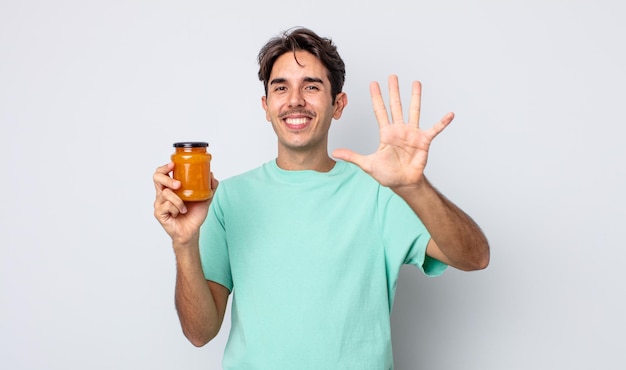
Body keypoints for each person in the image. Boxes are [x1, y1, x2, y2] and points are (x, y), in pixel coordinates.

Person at [153, 26, 489, 369]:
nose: (295, 99)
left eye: (311, 86)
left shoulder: (380, 193)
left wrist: (414, 187)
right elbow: (200, 333)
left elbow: (474, 257)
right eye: (280, 88)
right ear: (266, 106)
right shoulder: (227, 198)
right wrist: (184, 243)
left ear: (338, 104)